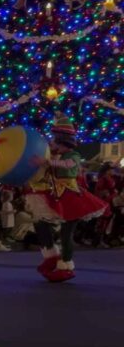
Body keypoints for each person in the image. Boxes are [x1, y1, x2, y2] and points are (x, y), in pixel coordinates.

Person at [26, 116, 107, 282]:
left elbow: (69, 165)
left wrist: (47, 162)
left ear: (62, 141)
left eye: (55, 140)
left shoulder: (73, 156)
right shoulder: (56, 158)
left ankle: (66, 265)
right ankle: (51, 256)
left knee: (66, 234)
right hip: (58, 197)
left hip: (72, 198)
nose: (52, 143)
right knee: (40, 223)